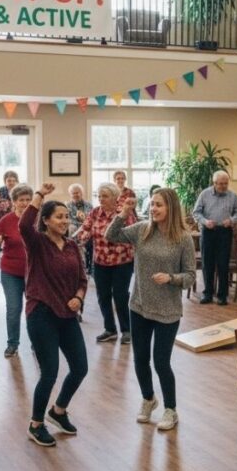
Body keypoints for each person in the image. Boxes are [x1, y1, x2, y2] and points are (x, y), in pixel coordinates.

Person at [106, 188, 196, 431]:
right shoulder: (142, 230)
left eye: (159, 205)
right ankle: (148, 399)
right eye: (152, 204)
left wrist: (170, 278)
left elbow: (190, 276)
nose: (153, 209)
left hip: (167, 310)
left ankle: (170, 409)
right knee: (140, 358)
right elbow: (111, 235)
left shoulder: (183, 239)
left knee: (161, 362)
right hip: (139, 306)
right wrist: (124, 213)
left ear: (171, 208)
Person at [20, 184, 88, 447]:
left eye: (66, 216)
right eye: (58, 217)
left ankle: (58, 411)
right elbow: (24, 225)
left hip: (67, 315)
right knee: (49, 372)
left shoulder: (72, 246)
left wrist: (79, 298)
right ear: (46, 221)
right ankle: (36, 425)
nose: (64, 221)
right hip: (41, 314)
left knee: (80, 368)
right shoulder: (37, 243)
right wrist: (39, 196)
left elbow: (82, 279)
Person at [75, 182, 135, 344]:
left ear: (115, 197)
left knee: (120, 296)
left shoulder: (124, 212)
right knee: (103, 296)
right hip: (100, 261)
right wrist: (81, 236)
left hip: (121, 261)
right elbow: (86, 229)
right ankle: (110, 329)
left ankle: (126, 330)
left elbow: (132, 234)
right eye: (99, 196)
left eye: (105, 196)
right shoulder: (95, 212)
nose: (101, 199)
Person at [0, 183, 32, 358]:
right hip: (11, 271)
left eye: (28, 199)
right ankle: (12, 343)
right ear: (14, 202)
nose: (25, 203)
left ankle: (38, 343)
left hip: (35, 273)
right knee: (14, 308)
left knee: (35, 310)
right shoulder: (7, 220)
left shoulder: (38, 219)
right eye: (21, 200)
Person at [193, 170, 237, 305]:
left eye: (225, 184)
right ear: (214, 183)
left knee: (223, 264)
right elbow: (196, 212)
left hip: (224, 232)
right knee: (207, 264)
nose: (223, 186)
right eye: (220, 184)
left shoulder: (232, 196)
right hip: (208, 231)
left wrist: (231, 220)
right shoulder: (204, 194)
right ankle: (208, 294)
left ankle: (222, 295)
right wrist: (205, 222)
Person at [0, 171, 19, 292]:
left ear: (17, 181)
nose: (11, 183)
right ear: (5, 181)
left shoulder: (20, 191)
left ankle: (17, 277)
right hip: (1, 225)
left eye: (13, 180)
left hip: (17, 226)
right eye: (8, 180)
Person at [66, 183, 94, 275]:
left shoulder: (89, 205)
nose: (75, 195)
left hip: (86, 227)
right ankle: (77, 263)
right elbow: (67, 219)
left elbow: (92, 218)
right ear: (70, 194)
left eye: (77, 192)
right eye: (73, 193)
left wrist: (84, 221)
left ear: (82, 193)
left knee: (89, 233)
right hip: (74, 228)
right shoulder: (67, 206)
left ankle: (88, 266)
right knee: (72, 229)